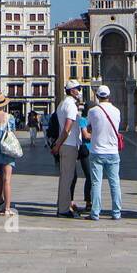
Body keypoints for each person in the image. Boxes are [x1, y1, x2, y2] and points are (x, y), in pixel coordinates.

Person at [83, 86, 123, 221]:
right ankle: (116, 212)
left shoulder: (93, 111)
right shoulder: (117, 111)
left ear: (97, 96)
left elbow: (89, 127)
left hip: (97, 151)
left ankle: (95, 213)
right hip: (112, 151)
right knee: (115, 183)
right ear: (109, 96)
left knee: (96, 183)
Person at [52, 81, 85, 217]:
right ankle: (63, 210)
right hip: (68, 145)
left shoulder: (62, 104)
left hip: (66, 145)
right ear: (72, 91)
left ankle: (62, 205)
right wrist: (57, 145)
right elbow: (66, 129)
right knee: (67, 178)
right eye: (78, 89)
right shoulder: (71, 105)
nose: (80, 91)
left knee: (65, 177)